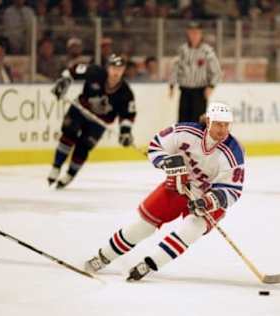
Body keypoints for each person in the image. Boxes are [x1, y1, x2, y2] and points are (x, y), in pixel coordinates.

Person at [84, 102, 244, 281]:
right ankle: (103, 256)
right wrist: (168, 163)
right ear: (208, 121)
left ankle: (149, 264)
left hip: (208, 197)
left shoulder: (233, 151)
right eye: (218, 124)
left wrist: (208, 201)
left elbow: (232, 190)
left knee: (191, 229)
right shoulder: (186, 132)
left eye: (226, 125)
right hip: (178, 185)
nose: (223, 130)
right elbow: (156, 145)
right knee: (143, 225)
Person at [47, 54, 137, 189]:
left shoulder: (126, 93)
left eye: (119, 68)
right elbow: (73, 70)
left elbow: (128, 115)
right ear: (108, 67)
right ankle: (56, 167)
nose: (116, 72)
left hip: (99, 122)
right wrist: (64, 81)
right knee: (69, 133)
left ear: (124, 70)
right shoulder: (95, 72)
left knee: (84, 147)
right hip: (80, 110)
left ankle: (70, 174)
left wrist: (125, 132)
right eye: (113, 67)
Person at [169, 21, 222, 123]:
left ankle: (198, 139)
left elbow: (216, 71)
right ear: (188, 33)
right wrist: (172, 84)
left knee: (198, 122)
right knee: (183, 122)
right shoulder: (182, 50)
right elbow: (176, 68)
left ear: (201, 34)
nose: (194, 35)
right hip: (185, 91)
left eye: (196, 33)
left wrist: (211, 86)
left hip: (199, 92)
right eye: (191, 32)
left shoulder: (207, 51)